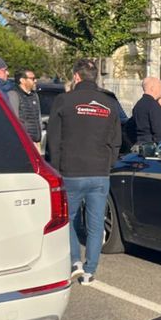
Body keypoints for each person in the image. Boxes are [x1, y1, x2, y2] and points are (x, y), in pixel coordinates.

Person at [46, 59, 122, 286]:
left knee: (67, 219)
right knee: (96, 224)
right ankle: (90, 271)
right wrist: (108, 163)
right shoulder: (109, 103)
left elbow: (53, 140)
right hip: (99, 172)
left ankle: (75, 261)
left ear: (76, 77)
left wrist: (56, 168)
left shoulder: (64, 100)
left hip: (71, 170)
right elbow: (116, 140)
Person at [132, 76, 161, 145]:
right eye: (159, 86)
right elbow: (160, 133)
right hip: (150, 146)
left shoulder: (138, 105)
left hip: (139, 144)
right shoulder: (154, 106)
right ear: (152, 88)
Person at [10, 68, 42, 145]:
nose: (35, 81)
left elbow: (38, 119)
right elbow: (14, 121)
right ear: (22, 80)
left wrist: (38, 140)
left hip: (35, 141)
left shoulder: (34, 95)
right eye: (32, 78)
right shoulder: (14, 94)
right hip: (23, 142)